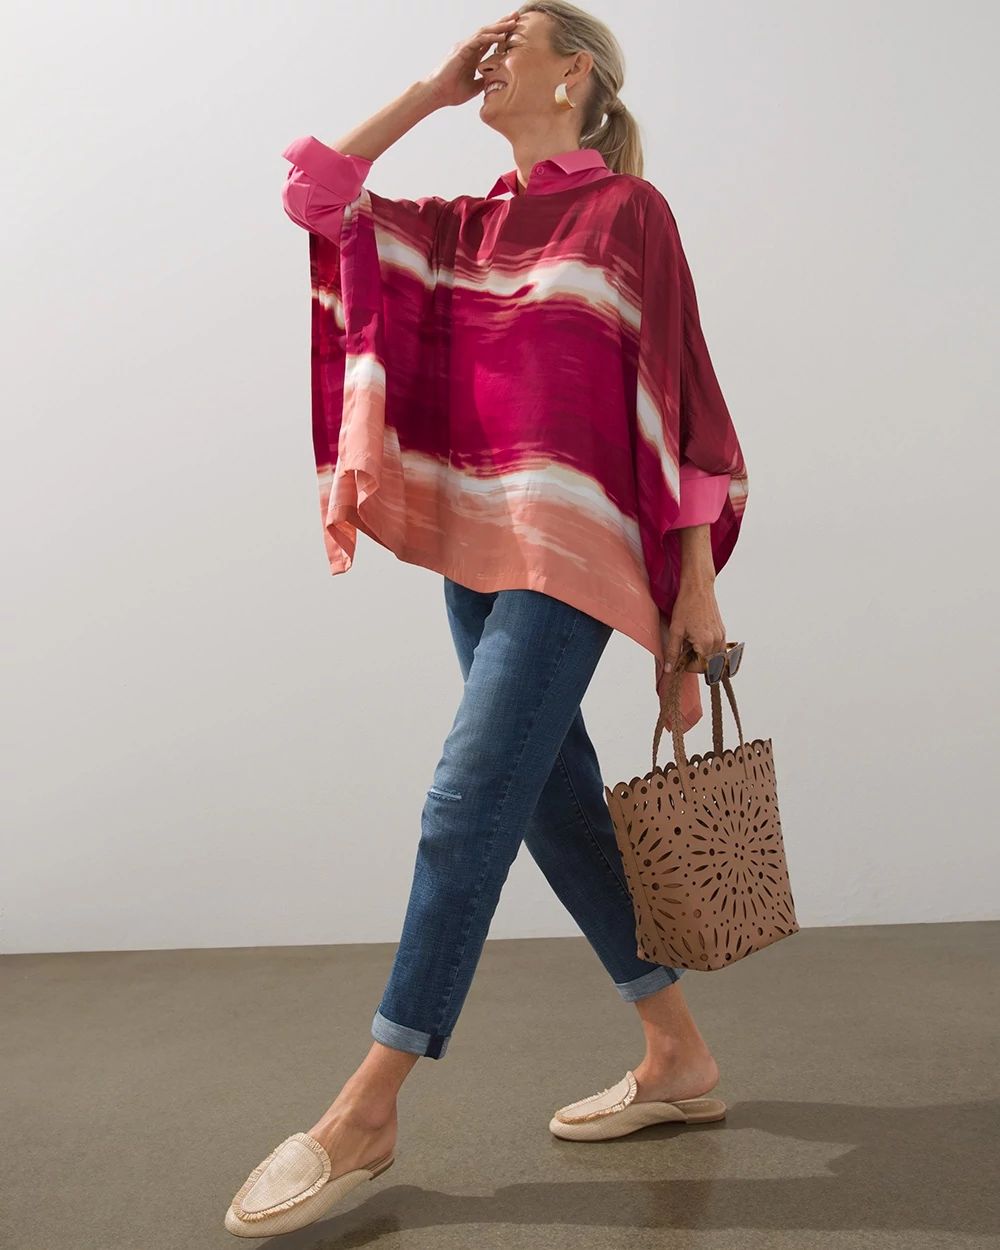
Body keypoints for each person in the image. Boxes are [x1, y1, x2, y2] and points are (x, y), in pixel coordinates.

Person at [225, 2, 746, 1236]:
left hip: (575, 552)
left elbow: (682, 396)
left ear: (578, 74)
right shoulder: (462, 227)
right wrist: (430, 88)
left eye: (515, 39)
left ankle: (367, 1106)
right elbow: (313, 195)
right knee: (551, 800)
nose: (491, 53)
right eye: (486, 43)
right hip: (479, 547)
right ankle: (677, 1054)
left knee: (466, 799)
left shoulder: (627, 214)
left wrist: (695, 587)